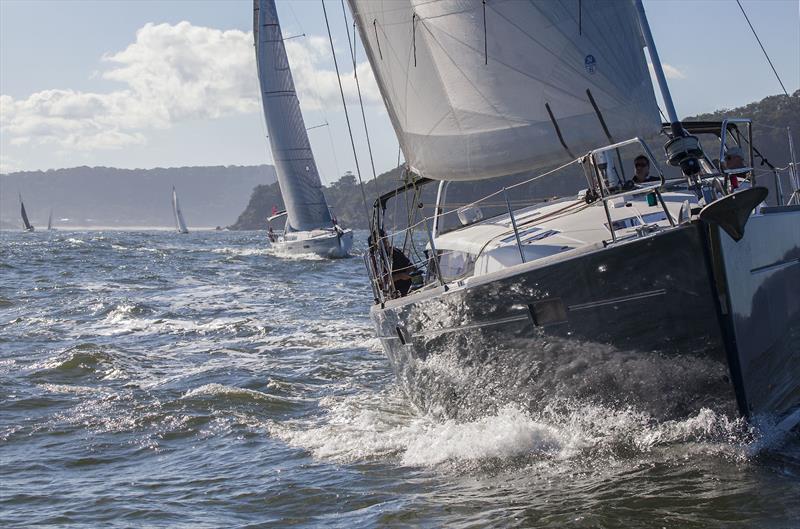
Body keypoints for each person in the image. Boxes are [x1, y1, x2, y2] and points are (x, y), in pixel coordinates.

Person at [369, 229, 416, 297]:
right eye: (384, 239)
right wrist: (400, 276)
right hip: (394, 291)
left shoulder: (395, 251)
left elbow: (410, 265)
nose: (386, 241)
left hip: (409, 286)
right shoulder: (376, 258)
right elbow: (380, 281)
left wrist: (409, 273)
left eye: (386, 238)